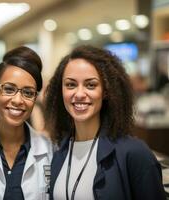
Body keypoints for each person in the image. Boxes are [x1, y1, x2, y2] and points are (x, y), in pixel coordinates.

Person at [44, 45, 166, 200]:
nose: (79, 94)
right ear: (60, 90)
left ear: (106, 91)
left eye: (91, 85)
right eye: (71, 84)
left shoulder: (134, 153)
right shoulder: (59, 150)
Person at [0, 46, 53, 200]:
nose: (18, 100)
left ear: (35, 98)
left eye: (28, 93)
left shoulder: (50, 150)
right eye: (9, 89)